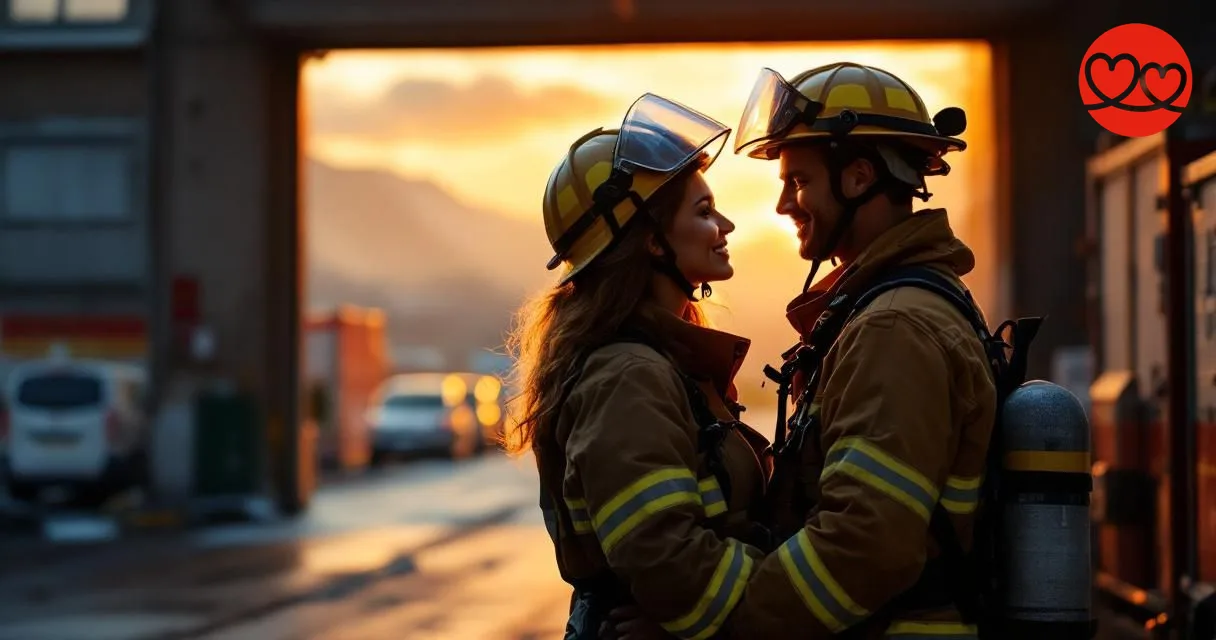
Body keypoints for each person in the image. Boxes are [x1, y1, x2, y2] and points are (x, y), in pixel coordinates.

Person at [608, 62, 998, 639]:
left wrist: (723, 629)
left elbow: (862, 547)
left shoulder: (895, 329)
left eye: (798, 181)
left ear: (859, 177)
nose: (783, 205)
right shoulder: (889, 310)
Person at [504, 93, 775, 640]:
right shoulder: (627, 377)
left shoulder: (660, 362)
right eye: (703, 211)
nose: (726, 225)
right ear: (652, 241)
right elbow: (666, 561)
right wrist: (784, 595)